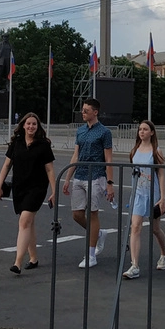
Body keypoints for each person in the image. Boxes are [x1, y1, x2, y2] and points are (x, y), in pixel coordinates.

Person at [0, 113, 56, 274]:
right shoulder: (17, 143)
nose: (31, 127)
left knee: (24, 222)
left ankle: (17, 262)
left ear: (38, 127)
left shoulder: (43, 145)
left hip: (37, 188)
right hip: (19, 187)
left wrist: (54, 191)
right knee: (29, 223)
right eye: (28, 124)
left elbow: (49, 169)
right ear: (23, 125)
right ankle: (33, 258)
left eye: (34, 124)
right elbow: (6, 165)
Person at [61, 97, 114, 268]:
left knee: (92, 213)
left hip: (96, 176)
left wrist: (110, 183)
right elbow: (76, 155)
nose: (83, 113)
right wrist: (67, 178)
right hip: (80, 175)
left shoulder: (104, 132)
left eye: (86, 111)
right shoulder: (80, 131)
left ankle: (91, 255)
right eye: (82, 110)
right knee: (77, 214)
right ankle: (98, 234)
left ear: (95, 112)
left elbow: (108, 158)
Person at [122, 119, 165, 279]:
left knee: (155, 229)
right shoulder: (134, 150)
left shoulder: (156, 151)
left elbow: (161, 174)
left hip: (153, 193)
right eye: (140, 129)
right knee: (135, 227)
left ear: (152, 132)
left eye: (145, 129)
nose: (142, 132)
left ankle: (164, 253)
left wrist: (162, 197)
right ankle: (134, 265)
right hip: (138, 193)